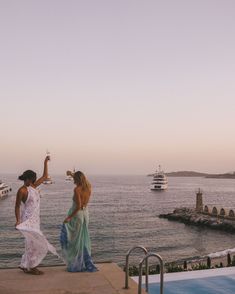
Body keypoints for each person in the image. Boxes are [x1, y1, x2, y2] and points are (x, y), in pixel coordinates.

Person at [15, 156, 58, 275]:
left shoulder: (32, 187)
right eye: (32, 179)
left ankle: (25, 265)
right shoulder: (22, 190)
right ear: (28, 179)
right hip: (28, 220)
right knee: (35, 243)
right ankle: (32, 267)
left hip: (35, 220)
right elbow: (17, 206)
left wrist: (45, 162)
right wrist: (18, 220)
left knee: (30, 243)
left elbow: (44, 176)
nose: (34, 181)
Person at [60, 171, 97, 272]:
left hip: (77, 215)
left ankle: (76, 264)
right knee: (83, 239)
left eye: (74, 178)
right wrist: (72, 174)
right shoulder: (88, 186)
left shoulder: (77, 189)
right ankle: (84, 261)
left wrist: (69, 217)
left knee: (74, 241)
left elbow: (78, 206)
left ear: (76, 179)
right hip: (85, 215)